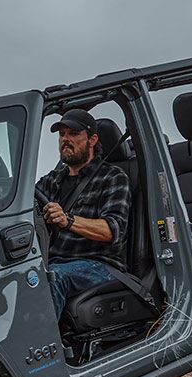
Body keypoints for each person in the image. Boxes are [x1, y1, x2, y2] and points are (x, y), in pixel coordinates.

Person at [35, 109, 131, 320]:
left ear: (92, 139)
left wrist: (68, 220)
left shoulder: (113, 177)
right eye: (62, 134)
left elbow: (112, 230)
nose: (65, 140)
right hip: (53, 262)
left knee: (51, 278)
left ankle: (45, 351)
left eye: (74, 134)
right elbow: (25, 204)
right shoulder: (52, 180)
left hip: (98, 265)